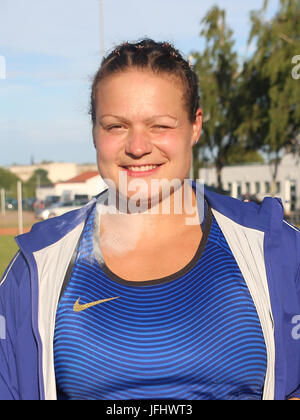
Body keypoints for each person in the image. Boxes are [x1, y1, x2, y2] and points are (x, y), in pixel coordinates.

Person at [0, 39, 300, 401]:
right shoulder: (37, 268)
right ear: (94, 131)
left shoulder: (275, 249)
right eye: (115, 127)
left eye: (160, 126)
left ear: (195, 126)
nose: (138, 146)